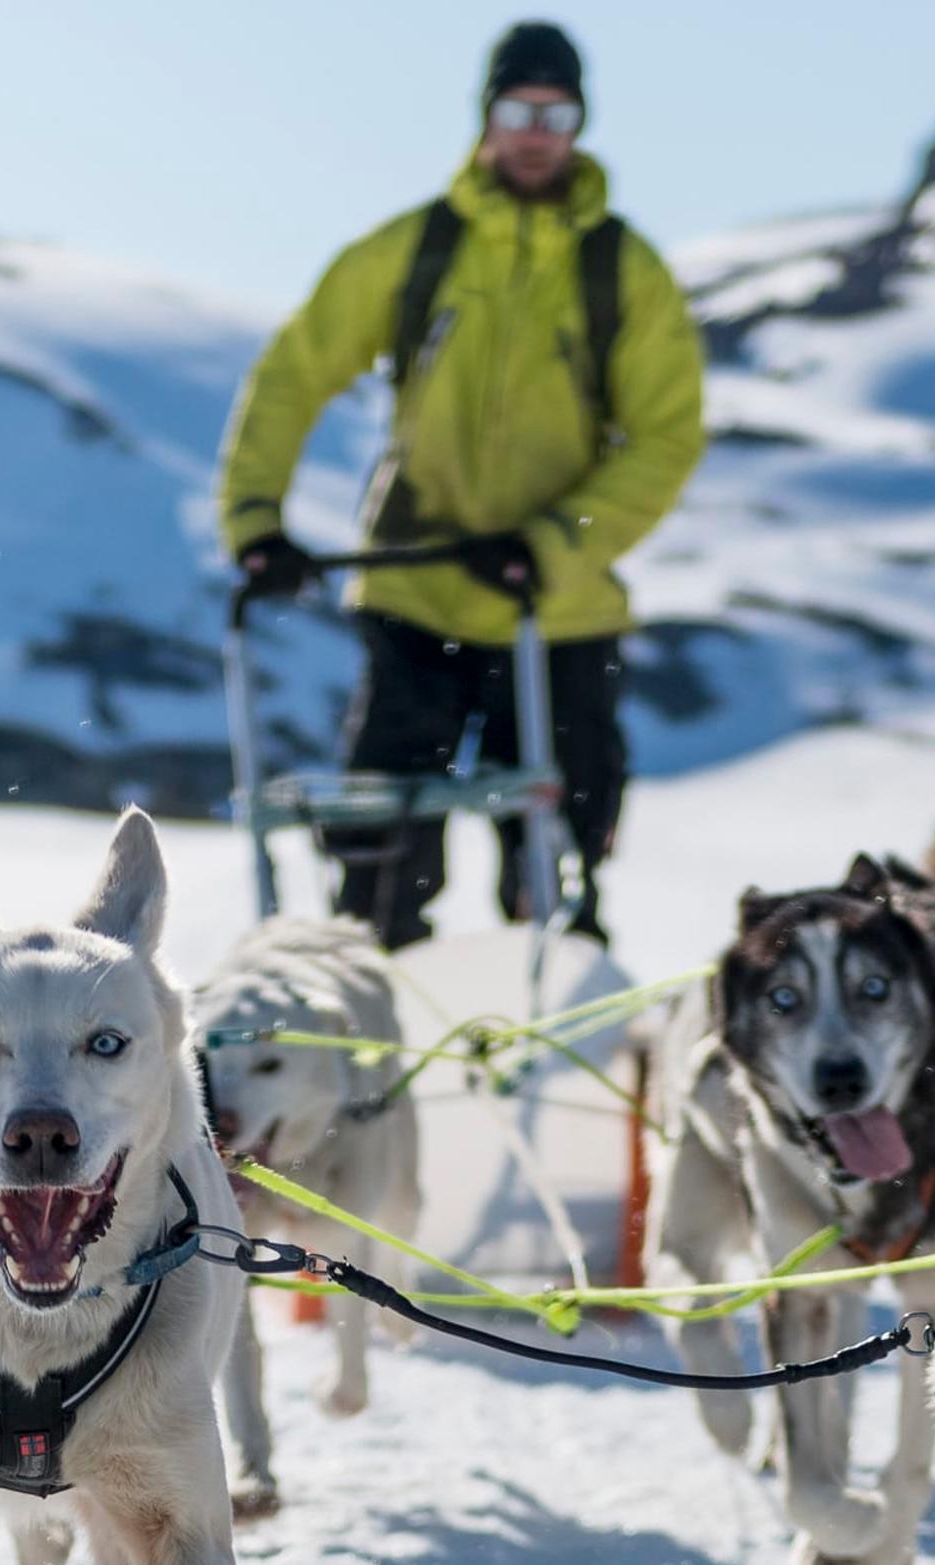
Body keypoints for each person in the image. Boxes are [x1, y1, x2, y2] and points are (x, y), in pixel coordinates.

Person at [214, 20, 705, 949]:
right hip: (417, 589)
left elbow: (667, 434)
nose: (536, 132)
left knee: (558, 865)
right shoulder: (417, 250)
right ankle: (371, 1044)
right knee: (379, 866)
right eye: (520, 109)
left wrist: (556, 543)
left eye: (556, 113)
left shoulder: (621, 271)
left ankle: (553, 1035)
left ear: (580, 123)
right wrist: (256, 523)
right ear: (488, 116)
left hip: (558, 609)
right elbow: (293, 373)